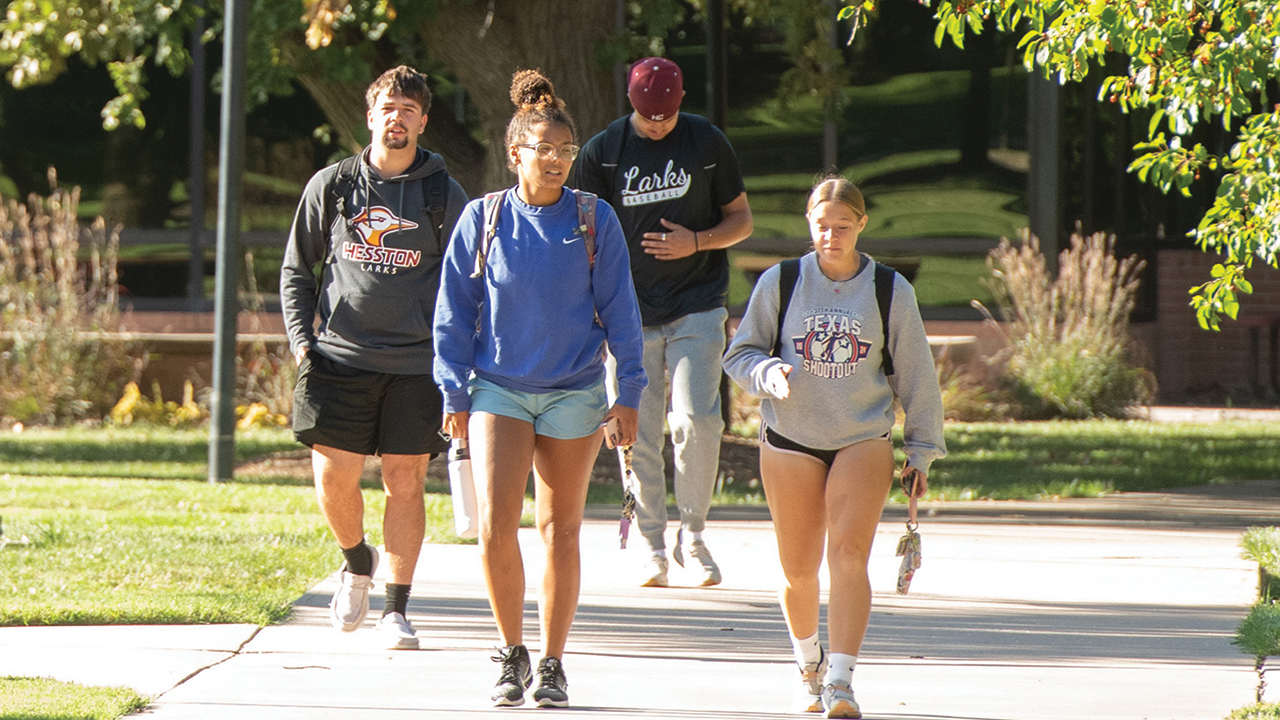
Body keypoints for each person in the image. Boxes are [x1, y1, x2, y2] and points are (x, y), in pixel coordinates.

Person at [433, 69, 646, 709]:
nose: (554, 160)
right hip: (498, 387)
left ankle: (552, 662)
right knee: (497, 526)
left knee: (561, 529)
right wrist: (454, 393)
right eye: (541, 149)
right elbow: (453, 311)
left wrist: (628, 393)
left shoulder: (593, 220)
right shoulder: (484, 218)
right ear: (515, 153)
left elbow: (622, 312)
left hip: (574, 392)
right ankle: (510, 653)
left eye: (565, 150)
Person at [722, 176, 945, 718]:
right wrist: (766, 370)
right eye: (822, 226)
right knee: (798, 568)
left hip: (862, 435)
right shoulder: (781, 281)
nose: (831, 236)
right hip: (790, 438)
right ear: (808, 224)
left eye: (842, 226)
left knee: (848, 554)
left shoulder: (890, 289)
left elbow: (917, 375)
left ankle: (842, 681)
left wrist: (922, 449)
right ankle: (809, 667)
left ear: (861, 226)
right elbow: (739, 354)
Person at [280, 65, 468, 650]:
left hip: (417, 364)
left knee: (404, 480)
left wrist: (458, 360)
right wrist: (302, 340)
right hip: (339, 357)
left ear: (422, 121)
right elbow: (296, 269)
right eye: (389, 107)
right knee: (333, 476)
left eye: (409, 110)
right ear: (370, 116)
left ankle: (397, 609)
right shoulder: (332, 186)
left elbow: (467, 282)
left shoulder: (443, 194)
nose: (398, 117)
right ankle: (356, 561)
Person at [570, 57, 753, 588]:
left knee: (698, 420)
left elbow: (740, 219)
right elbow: (578, 231)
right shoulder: (604, 152)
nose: (657, 124)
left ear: (681, 101)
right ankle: (650, 543)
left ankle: (692, 537)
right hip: (627, 314)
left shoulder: (705, 142)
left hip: (698, 303)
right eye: (649, 116)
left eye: (667, 115)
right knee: (636, 431)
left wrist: (695, 241)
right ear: (631, 102)